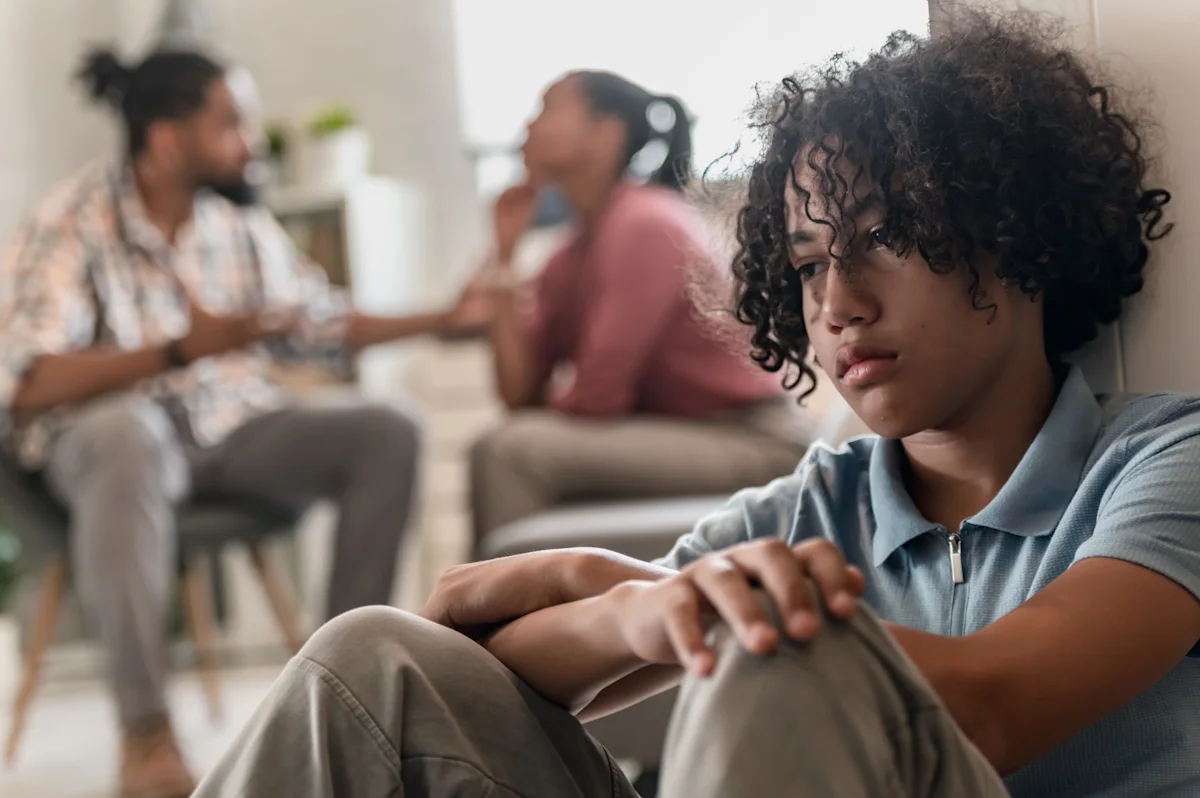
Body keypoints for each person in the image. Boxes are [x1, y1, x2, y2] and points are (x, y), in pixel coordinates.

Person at [194, 11, 1200, 798]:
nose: (838, 304)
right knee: (374, 658)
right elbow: (483, 651)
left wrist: (682, 613)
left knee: (790, 647)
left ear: (1020, 235)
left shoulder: (1165, 461)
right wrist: (630, 599)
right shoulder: (814, 506)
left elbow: (997, 703)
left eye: (885, 238)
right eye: (808, 266)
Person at [0, 48, 483, 797]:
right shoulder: (70, 222)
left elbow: (321, 323)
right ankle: (147, 735)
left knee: (390, 427)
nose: (252, 142)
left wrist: (447, 315)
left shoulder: (233, 224)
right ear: (167, 139)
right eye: (233, 123)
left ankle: (344, 693)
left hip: (228, 433)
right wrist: (175, 350)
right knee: (127, 432)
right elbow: (24, 378)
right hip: (109, 452)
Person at [462, 71, 811, 546]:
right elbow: (518, 394)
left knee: (507, 452)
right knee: (509, 443)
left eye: (548, 107)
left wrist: (547, 405)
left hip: (755, 441)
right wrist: (503, 261)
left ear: (606, 132)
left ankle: (493, 615)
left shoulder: (645, 224)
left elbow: (595, 398)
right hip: (683, 432)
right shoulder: (571, 252)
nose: (528, 126)